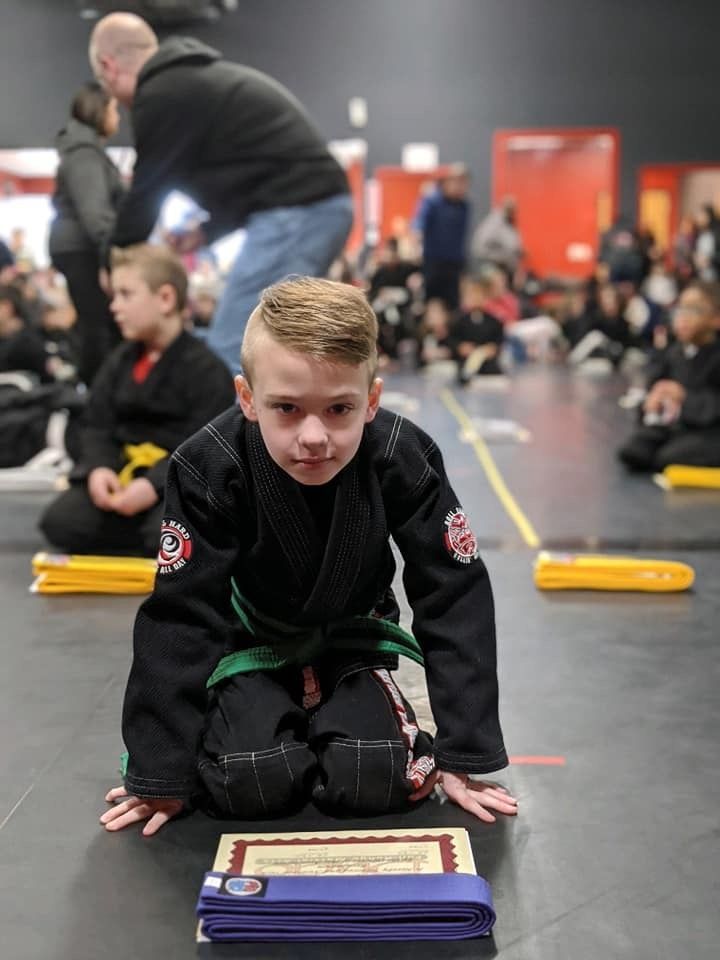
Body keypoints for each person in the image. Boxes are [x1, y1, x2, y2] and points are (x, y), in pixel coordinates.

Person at [99, 276, 517, 836]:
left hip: (353, 639)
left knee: (371, 776)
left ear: (372, 400)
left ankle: (366, 708)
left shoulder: (401, 457)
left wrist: (466, 753)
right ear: (248, 398)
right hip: (250, 644)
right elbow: (181, 614)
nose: (315, 435)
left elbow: (453, 591)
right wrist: (159, 772)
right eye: (287, 408)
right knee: (251, 778)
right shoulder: (210, 467)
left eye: (340, 408)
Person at [89, 12, 353, 375]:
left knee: (233, 350)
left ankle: (241, 434)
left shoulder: (161, 93)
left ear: (108, 66)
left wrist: (110, 259)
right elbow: (247, 182)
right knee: (274, 348)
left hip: (301, 209)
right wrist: (204, 233)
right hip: (311, 205)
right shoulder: (191, 83)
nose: (117, 106)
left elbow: (147, 190)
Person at [39, 244, 235, 556]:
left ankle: (159, 536)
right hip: (123, 475)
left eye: (126, 295)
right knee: (61, 521)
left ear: (166, 299)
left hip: (176, 483)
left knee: (177, 524)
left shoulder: (207, 370)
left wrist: (154, 485)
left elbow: (207, 449)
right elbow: (97, 425)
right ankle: (162, 542)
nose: (114, 307)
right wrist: (99, 469)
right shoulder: (120, 361)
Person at [49, 81, 126, 387]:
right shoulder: (84, 154)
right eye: (113, 109)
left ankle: (98, 395)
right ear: (99, 111)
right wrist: (111, 263)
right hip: (82, 248)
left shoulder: (85, 151)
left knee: (98, 325)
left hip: (80, 246)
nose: (117, 118)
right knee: (98, 327)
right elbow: (96, 216)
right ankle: (97, 400)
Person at [617, 280, 720, 471]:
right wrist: (651, 402)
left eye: (695, 310)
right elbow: (654, 388)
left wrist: (684, 397)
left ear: (716, 318)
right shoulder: (674, 353)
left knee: (671, 456)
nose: (683, 318)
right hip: (678, 425)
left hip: (710, 428)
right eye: (681, 310)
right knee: (636, 449)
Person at [415, 164, 471, 310]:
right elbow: (418, 226)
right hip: (433, 263)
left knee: (453, 305)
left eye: (464, 183)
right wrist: (417, 246)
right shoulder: (431, 201)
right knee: (431, 303)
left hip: (454, 265)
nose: (461, 187)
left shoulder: (464, 206)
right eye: (457, 182)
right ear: (446, 182)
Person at [471, 196, 523, 279]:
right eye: (509, 207)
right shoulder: (494, 222)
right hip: (494, 266)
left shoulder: (509, 223)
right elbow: (482, 244)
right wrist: (501, 253)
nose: (512, 211)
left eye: (513, 208)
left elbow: (513, 245)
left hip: (507, 269)